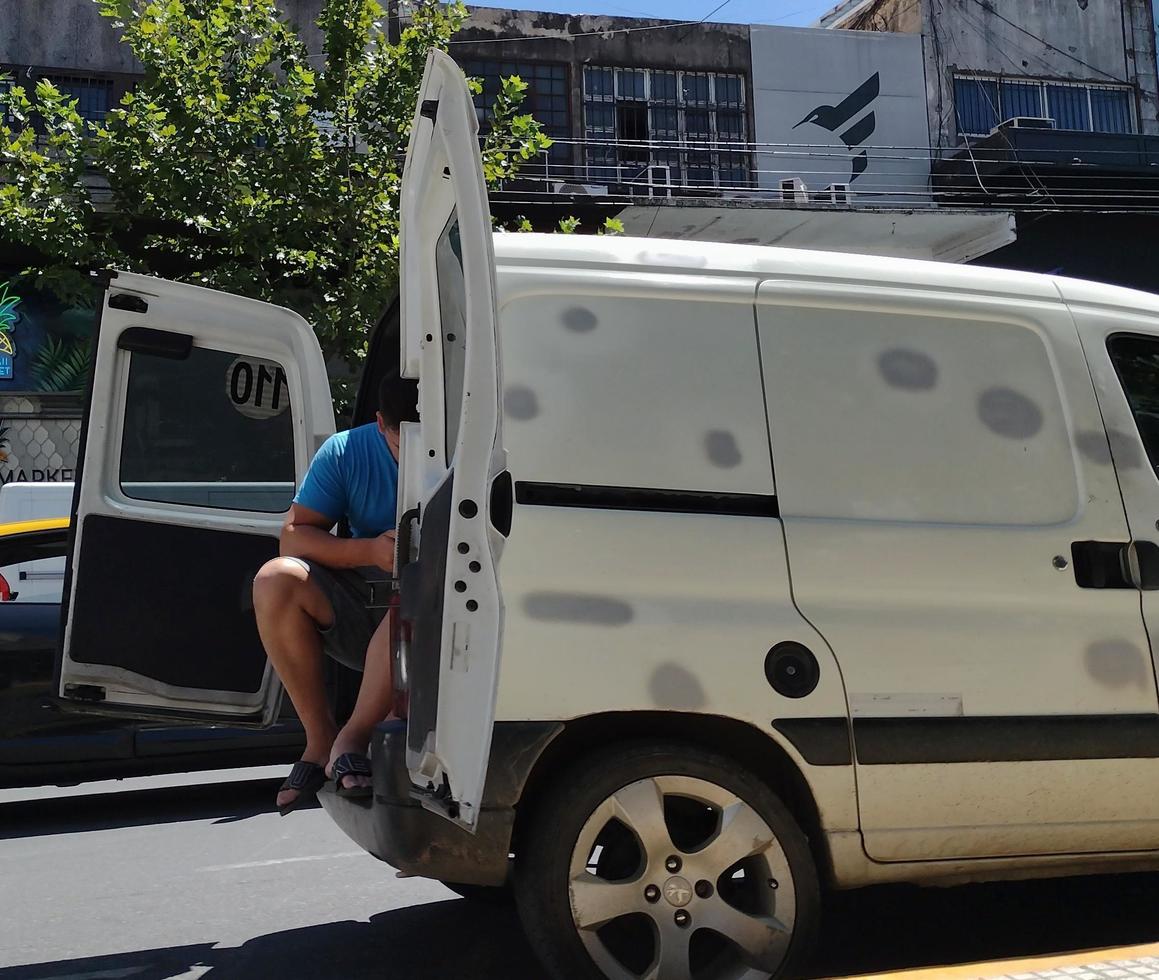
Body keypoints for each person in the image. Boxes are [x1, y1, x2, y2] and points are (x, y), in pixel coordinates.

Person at [252, 372, 417, 814]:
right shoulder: (345, 451)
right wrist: (368, 550)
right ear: (381, 423)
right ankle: (320, 741)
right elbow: (293, 537)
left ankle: (357, 738)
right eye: (405, 449)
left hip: (437, 613)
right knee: (275, 579)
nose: (416, 461)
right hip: (364, 606)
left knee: (417, 592)